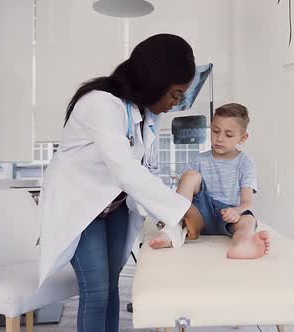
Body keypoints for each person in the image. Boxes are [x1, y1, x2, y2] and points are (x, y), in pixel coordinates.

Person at [37, 34, 196, 332]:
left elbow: (146, 170)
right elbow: (125, 169)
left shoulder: (148, 113)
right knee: (96, 292)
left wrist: (170, 215)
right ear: (154, 81)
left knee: (111, 287)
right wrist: (181, 209)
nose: (176, 103)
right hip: (81, 210)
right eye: (175, 94)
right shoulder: (99, 104)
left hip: (116, 207)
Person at [149, 103, 271, 259]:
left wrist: (236, 211)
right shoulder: (199, 160)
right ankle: (171, 230)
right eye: (215, 131)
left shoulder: (246, 162)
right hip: (200, 216)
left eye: (228, 134)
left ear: (243, 138)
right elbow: (184, 193)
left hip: (229, 215)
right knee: (191, 175)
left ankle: (244, 244)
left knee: (247, 221)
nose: (219, 138)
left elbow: (247, 202)